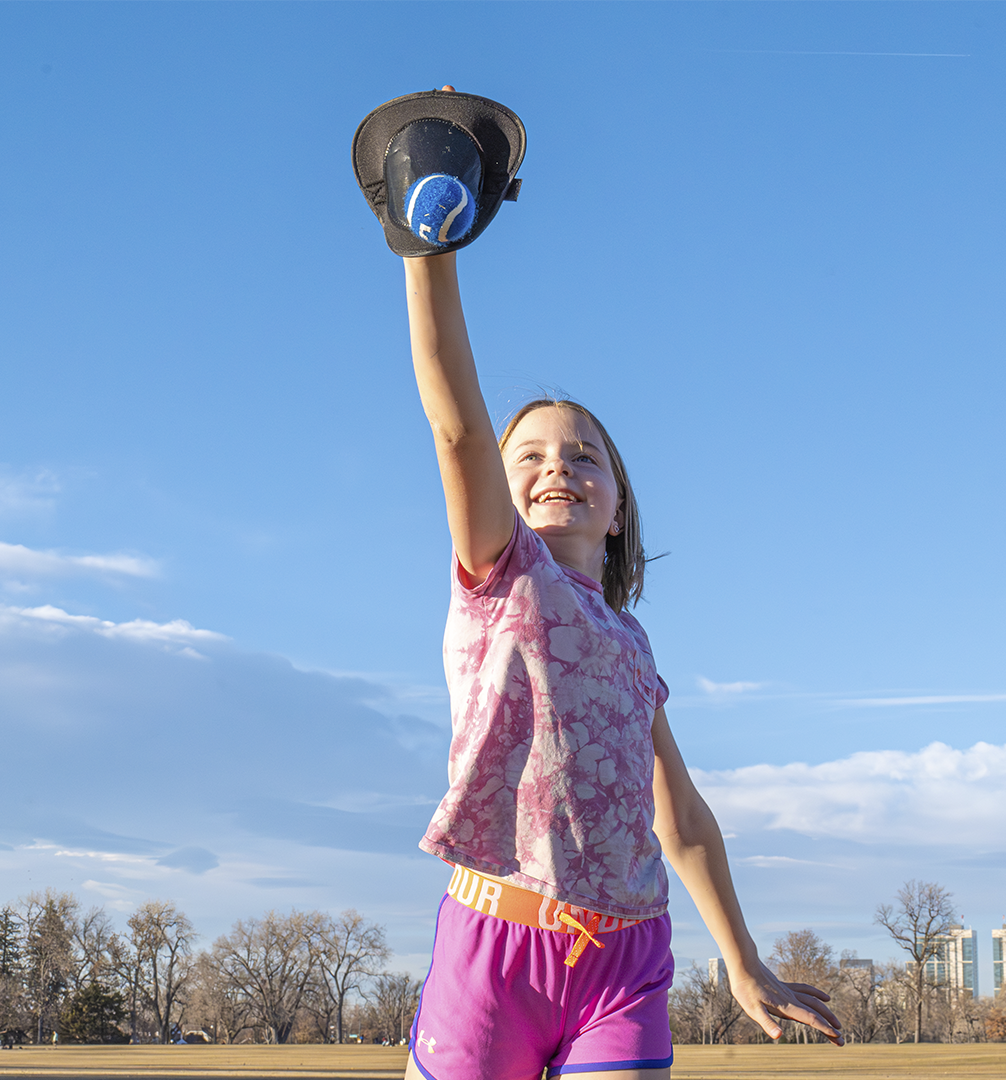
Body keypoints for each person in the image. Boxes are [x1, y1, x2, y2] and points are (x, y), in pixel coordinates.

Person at [395, 86, 842, 1080]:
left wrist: (743, 958)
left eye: (586, 454)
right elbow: (459, 423)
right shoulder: (498, 576)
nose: (560, 465)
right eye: (534, 457)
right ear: (499, 495)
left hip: (626, 960)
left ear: (619, 505)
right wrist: (426, 247)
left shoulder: (631, 649)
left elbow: (677, 813)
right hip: (491, 953)